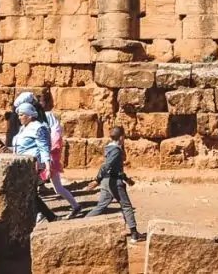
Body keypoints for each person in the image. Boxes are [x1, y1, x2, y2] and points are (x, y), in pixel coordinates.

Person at [85, 126, 144, 243]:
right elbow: (106, 166)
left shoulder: (109, 149)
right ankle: (134, 234)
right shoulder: (116, 150)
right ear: (121, 137)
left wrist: (127, 179)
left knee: (100, 206)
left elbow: (115, 169)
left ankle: (82, 223)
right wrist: (97, 180)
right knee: (126, 206)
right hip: (114, 183)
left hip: (106, 182)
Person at [10, 101, 58, 223]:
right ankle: (48, 215)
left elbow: (44, 148)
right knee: (29, 192)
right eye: (19, 115)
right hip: (21, 164)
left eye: (22, 115)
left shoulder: (38, 128)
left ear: (29, 115)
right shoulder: (23, 129)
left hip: (32, 165)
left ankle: (44, 215)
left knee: (28, 192)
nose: (19, 117)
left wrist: (47, 166)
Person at [39, 89, 81, 218]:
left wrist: (50, 150)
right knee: (55, 187)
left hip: (48, 156)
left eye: (41, 101)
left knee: (52, 187)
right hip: (43, 155)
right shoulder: (38, 118)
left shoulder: (48, 116)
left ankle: (39, 215)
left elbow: (55, 134)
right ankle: (75, 206)